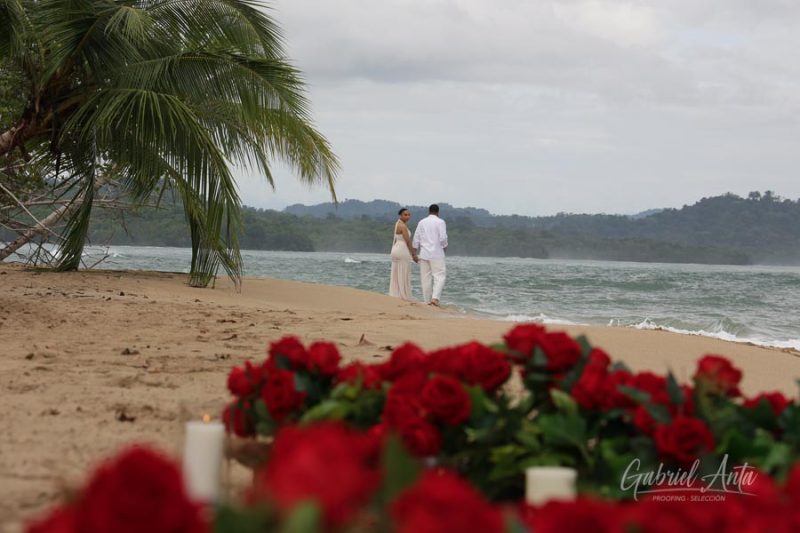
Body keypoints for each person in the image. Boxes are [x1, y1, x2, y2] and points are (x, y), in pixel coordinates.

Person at [412, 204, 448, 306]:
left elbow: (416, 238)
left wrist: (414, 253)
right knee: (439, 276)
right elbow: (443, 238)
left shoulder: (421, 222)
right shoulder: (440, 222)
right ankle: (435, 298)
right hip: (437, 253)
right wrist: (445, 247)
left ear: (429, 211)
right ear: (438, 212)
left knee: (425, 278)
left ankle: (427, 300)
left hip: (424, 253)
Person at [389, 208, 418, 300]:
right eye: (405, 215)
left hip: (396, 248)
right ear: (400, 215)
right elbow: (408, 241)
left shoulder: (397, 224)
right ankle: (402, 294)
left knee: (397, 272)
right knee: (403, 271)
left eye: (409, 215)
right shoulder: (402, 226)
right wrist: (413, 254)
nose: (407, 216)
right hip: (401, 249)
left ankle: (396, 292)